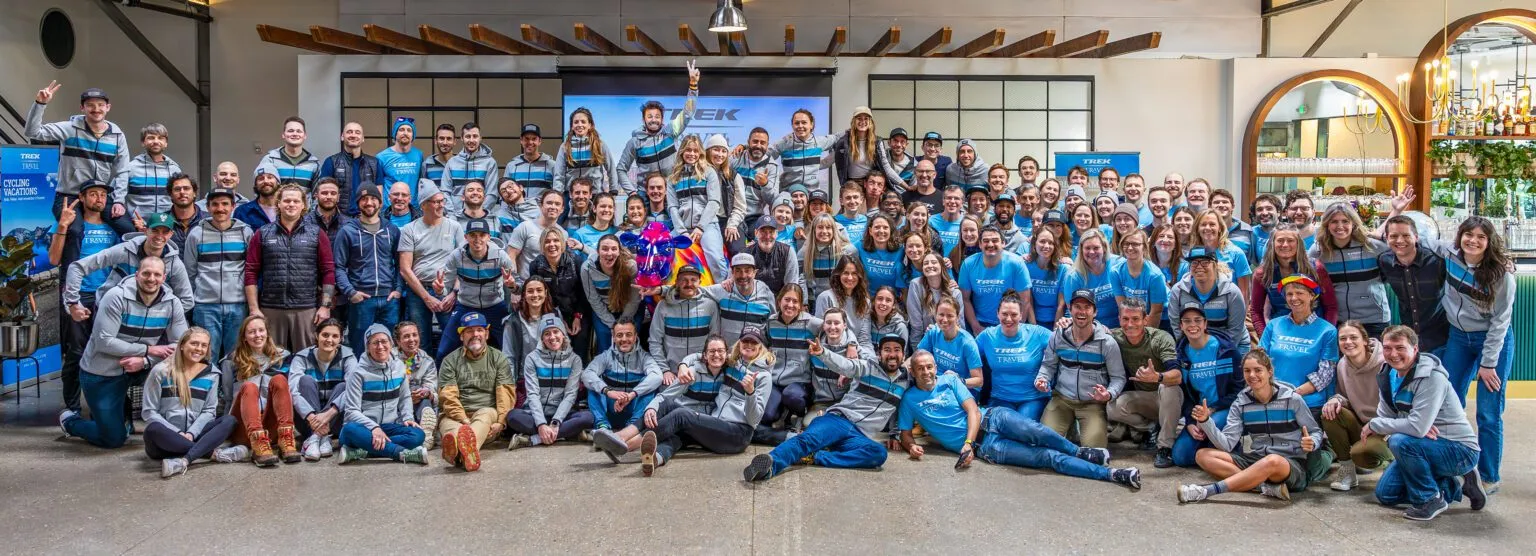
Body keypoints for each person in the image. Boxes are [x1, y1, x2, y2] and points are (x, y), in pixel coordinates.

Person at [899, 349, 1142, 489]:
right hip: (989, 448)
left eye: (930, 366)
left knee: (1038, 432)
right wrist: (911, 446)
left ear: (935, 366)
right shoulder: (909, 399)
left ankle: (1080, 453)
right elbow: (905, 433)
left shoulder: (949, 380)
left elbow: (973, 411)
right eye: (921, 368)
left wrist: (967, 444)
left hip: (992, 418)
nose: (927, 372)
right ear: (913, 371)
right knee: (1047, 457)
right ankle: (1112, 475)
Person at [58, 258, 188, 450]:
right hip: (102, 372)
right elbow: (104, 341)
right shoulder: (115, 296)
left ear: (164, 278)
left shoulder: (172, 302)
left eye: (157, 274)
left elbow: (180, 345)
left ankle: (177, 426)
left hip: (141, 367)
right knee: (113, 439)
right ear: (137, 274)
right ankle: (71, 422)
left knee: (184, 364)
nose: (151, 279)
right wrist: (147, 349)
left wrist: (144, 361)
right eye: (146, 273)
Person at [743, 333, 911, 482]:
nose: (892, 354)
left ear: (903, 355)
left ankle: (817, 456)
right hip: (838, 420)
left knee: (878, 454)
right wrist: (823, 353)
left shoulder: (905, 381)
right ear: (880, 354)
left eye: (897, 350)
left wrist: (895, 434)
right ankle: (770, 465)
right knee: (806, 440)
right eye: (887, 350)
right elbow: (845, 365)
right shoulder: (868, 367)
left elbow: (920, 388)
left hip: (859, 436)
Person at [1176, 348, 1331, 504]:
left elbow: (1315, 431)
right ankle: (1262, 486)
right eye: (1247, 371)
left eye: (1258, 370)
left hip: (1291, 464)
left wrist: (1312, 441)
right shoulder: (1240, 403)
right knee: (1203, 455)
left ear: (1270, 372)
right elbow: (1227, 445)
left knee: (1273, 461)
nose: (1252, 375)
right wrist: (1205, 422)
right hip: (1258, 458)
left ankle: (1206, 491)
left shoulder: (1293, 399)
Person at [1370, 326, 1486, 520]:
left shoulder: (1432, 377)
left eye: (1400, 348)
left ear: (1415, 350)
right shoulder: (1387, 375)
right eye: (1388, 348)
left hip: (1459, 449)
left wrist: (1379, 425)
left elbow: (1415, 427)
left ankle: (1430, 499)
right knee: (1386, 494)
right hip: (1422, 445)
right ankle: (1455, 483)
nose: (1393, 354)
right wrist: (1410, 425)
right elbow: (1387, 417)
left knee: (1399, 441)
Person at [625, 331, 773, 475]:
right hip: (717, 425)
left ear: (761, 346)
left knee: (681, 415)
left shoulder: (764, 376)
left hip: (738, 434)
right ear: (739, 344)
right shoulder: (732, 363)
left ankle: (628, 446)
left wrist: (750, 393)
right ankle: (654, 458)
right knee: (679, 432)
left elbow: (754, 420)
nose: (749, 345)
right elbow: (703, 355)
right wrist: (683, 364)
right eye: (745, 341)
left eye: (754, 342)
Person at [1438, 216, 1514, 493]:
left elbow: (1500, 323)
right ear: (1460, 236)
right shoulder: (1448, 254)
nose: (1473, 241)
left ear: (1489, 242)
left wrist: (1488, 363)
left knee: (1488, 412)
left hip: (1492, 341)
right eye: (1468, 235)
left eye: (1481, 237)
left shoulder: (1501, 275)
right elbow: (1415, 238)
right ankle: (1453, 466)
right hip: (1458, 336)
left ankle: (1489, 475)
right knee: (1448, 402)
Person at [49, 179, 135, 413]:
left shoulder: (114, 230)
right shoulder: (74, 227)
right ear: (83, 198)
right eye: (93, 194)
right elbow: (54, 259)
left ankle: (116, 408)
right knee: (76, 353)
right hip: (78, 296)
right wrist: (63, 226)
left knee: (114, 350)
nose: (99, 198)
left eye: (103, 195)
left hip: (108, 297)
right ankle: (72, 409)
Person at [243, 185, 336, 351]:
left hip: (306, 308)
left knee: (305, 358)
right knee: (272, 360)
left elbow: (328, 271)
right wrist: (254, 308)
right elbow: (251, 272)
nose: (291, 204)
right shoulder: (262, 234)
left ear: (303, 205)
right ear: (278, 203)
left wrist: (325, 306)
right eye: (286, 200)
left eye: (295, 201)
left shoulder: (316, 233)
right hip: (271, 308)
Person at [140, 327, 238, 478]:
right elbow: (149, 412)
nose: (199, 349)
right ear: (182, 345)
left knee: (229, 420)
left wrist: (191, 434)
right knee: (153, 429)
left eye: (203, 345)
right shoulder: (161, 371)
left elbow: (209, 411)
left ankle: (183, 461)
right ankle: (213, 454)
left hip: (195, 436)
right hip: (165, 441)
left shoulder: (212, 374)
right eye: (194, 343)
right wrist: (178, 433)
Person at [1034, 289, 1125, 448]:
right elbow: (1048, 366)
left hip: (1092, 403)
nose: (1082, 311)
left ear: (1095, 312)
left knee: (1095, 452)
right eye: (1077, 306)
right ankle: (1069, 426)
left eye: (1087, 307)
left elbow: (1118, 378)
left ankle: (1076, 428)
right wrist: (1041, 379)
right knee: (1044, 444)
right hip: (1062, 399)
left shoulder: (1107, 342)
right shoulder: (1057, 336)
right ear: (1070, 309)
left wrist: (1108, 394)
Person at [27, 82, 130, 220]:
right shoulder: (69, 129)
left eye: (100, 105)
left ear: (108, 107)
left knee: (127, 228)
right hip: (69, 196)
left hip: (100, 197)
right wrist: (40, 104)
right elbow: (32, 132)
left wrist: (119, 200)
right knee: (75, 231)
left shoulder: (117, 136)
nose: (96, 109)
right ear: (82, 108)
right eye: (90, 105)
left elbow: (122, 171)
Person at [64, 212, 194, 312]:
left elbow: (187, 301)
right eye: (155, 230)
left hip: (148, 320)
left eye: (165, 232)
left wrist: (161, 315)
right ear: (145, 230)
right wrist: (73, 302)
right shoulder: (124, 251)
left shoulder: (174, 263)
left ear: (171, 234)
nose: (160, 236)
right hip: (112, 310)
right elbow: (77, 267)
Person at [336, 324, 429, 465]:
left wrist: (408, 417)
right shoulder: (357, 373)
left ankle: (361, 452)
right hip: (362, 428)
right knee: (349, 429)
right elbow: (351, 412)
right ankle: (401, 453)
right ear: (368, 347)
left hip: (388, 426)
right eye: (375, 343)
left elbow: (405, 397)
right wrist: (374, 427)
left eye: (384, 341)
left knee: (418, 435)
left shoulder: (399, 367)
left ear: (391, 344)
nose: (380, 346)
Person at [436, 311, 516, 472]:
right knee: (452, 429)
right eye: (469, 331)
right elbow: (448, 397)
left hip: (487, 415)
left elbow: (505, 394)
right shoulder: (450, 361)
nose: (475, 335)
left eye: (479, 330)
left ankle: (457, 452)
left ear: (486, 334)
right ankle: (465, 452)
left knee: (485, 415)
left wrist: (500, 422)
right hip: (456, 416)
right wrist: (464, 420)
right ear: (461, 336)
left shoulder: (498, 358)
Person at [1107, 299, 1182, 468]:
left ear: (1145, 320)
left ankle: (1165, 447)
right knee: (1111, 407)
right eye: (1125, 319)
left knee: (1170, 388)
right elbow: (1092, 329)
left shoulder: (1160, 338)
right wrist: (1066, 321)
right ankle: (1149, 428)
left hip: (1167, 397)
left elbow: (1177, 376)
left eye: (1135, 319)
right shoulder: (1115, 337)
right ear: (1119, 319)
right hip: (1143, 398)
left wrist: (1158, 377)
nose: (1130, 324)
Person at [184, 186, 251, 368]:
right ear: (207, 207)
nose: (220, 208)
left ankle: (230, 395)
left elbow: (251, 269)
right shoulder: (196, 234)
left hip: (237, 305)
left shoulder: (246, 233)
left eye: (225, 204)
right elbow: (189, 272)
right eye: (215, 204)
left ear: (233, 206)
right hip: (205, 306)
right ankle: (209, 394)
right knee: (206, 355)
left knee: (235, 356)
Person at [1168, 304, 1243, 468]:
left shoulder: (1227, 350)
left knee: (1210, 434)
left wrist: (1212, 410)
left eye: (1197, 320)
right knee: (1180, 457)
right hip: (1199, 413)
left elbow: (1240, 391)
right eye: (1187, 321)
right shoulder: (1181, 355)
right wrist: (1189, 421)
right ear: (1181, 326)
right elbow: (1185, 395)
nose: (1192, 325)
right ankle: (1211, 444)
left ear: (1205, 324)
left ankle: (1224, 444)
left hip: (1225, 408)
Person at [1322, 321, 1392, 491]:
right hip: (1363, 425)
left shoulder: (1386, 363)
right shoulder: (1342, 365)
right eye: (1343, 338)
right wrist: (1336, 400)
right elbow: (1344, 397)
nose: (1348, 342)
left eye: (1353, 337)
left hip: (1386, 429)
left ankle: (1395, 465)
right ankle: (1347, 472)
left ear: (1365, 340)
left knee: (1362, 454)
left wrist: (1388, 429)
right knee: (1329, 412)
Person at [331, 183, 402, 350]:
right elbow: (338, 266)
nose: (369, 202)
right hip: (361, 299)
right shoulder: (347, 231)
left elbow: (401, 264)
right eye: (364, 199)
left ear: (380, 202)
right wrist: (350, 292)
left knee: (388, 346)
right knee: (359, 346)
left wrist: (398, 289)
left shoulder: (391, 230)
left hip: (388, 299)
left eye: (373, 198)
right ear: (358, 203)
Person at [434, 220, 518, 360]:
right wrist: (439, 291)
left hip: (495, 306)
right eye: (473, 235)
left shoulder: (500, 255)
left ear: (489, 237)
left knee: (508, 351)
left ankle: (508, 382)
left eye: (482, 235)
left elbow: (516, 285)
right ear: (466, 237)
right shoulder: (456, 256)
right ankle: (441, 382)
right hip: (465, 306)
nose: (477, 239)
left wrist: (511, 285)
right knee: (443, 352)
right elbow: (445, 288)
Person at [1258, 275, 1339, 419]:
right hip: (1272, 399)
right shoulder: (1273, 325)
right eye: (1289, 294)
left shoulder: (1328, 331)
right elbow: (1260, 361)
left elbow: (1325, 374)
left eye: (1299, 293)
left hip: (1308, 403)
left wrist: (1292, 394)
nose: (1294, 298)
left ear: (1312, 295)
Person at [508, 316, 594, 449]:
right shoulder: (532, 359)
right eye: (547, 334)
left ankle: (534, 439)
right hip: (535, 414)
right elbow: (532, 394)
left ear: (563, 334)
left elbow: (570, 395)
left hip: (562, 415)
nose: (552, 337)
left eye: (556, 332)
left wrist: (555, 422)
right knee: (512, 416)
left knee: (588, 417)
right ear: (542, 338)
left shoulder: (574, 360)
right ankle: (568, 434)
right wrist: (541, 424)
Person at [584, 319, 665, 461]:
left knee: (650, 390)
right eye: (620, 335)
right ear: (613, 337)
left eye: (628, 335)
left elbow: (657, 376)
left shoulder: (644, 358)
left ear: (635, 337)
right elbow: (587, 374)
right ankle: (603, 428)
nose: (624, 339)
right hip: (611, 410)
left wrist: (631, 395)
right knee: (593, 387)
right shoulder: (605, 357)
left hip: (633, 413)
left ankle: (630, 430)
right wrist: (608, 391)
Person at [222, 314, 296, 467]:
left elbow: (289, 394)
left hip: (271, 425)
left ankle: (286, 439)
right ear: (244, 337)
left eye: (261, 330)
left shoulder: (283, 357)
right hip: (244, 427)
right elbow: (227, 398)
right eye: (252, 332)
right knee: (249, 387)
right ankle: (257, 446)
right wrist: (224, 432)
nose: (257, 335)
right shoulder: (231, 360)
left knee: (279, 380)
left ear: (267, 332)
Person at [617, 61, 700, 194]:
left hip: (672, 192)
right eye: (649, 116)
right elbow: (621, 169)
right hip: (646, 195)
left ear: (662, 119)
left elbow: (688, 113)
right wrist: (632, 193)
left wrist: (693, 86)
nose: (653, 119)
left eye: (657, 116)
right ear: (643, 119)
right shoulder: (635, 142)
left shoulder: (670, 132)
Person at [398, 182, 465, 348]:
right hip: (418, 291)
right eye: (436, 202)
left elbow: (463, 262)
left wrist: (454, 292)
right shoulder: (409, 229)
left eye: (442, 201)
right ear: (423, 205)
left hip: (447, 291)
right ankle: (422, 373)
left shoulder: (454, 226)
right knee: (419, 341)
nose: (441, 205)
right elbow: (405, 269)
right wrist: (426, 297)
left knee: (454, 339)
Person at [1307, 204, 1388, 337]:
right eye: (1334, 221)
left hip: (1375, 318)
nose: (1340, 226)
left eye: (1345, 221)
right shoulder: (1318, 252)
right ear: (1327, 224)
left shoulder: (1373, 246)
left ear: (1354, 223)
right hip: (1339, 320)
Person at [1377, 214, 1449, 355]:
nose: (1400, 240)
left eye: (1406, 235)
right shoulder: (1384, 261)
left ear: (1416, 237)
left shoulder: (1437, 261)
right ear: (1386, 238)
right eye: (1393, 236)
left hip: (1441, 337)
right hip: (1409, 338)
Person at [1249, 225, 1336, 338]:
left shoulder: (1315, 268)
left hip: (1315, 332)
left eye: (1290, 240)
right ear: (1272, 243)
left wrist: (1326, 334)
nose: (1285, 245)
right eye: (1280, 240)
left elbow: (1330, 306)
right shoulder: (1262, 273)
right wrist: (1265, 338)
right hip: (1281, 334)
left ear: (1298, 243)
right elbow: (1256, 311)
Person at [975, 293, 1053, 420]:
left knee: (1021, 428)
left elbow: (1063, 341)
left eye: (1014, 314)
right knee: (1005, 428)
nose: (1009, 319)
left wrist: (1067, 323)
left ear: (1021, 315)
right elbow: (966, 351)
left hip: (1032, 398)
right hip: (1000, 399)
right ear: (997, 314)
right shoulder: (987, 336)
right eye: (1004, 314)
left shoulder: (1036, 333)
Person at [285, 319, 352, 462]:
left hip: (335, 421)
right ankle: (316, 436)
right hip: (307, 421)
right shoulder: (302, 357)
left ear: (341, 338)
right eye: (325, 335)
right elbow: (293, 391)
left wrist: (327, 416)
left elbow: (354, 390)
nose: (329, 340)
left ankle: (316, 438)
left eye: (335, 336)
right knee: (305, 380)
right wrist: (311, 417)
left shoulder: (348, 357)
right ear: (317, 335)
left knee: (345, 386)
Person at [761, 285, 822, 438]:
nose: (790, 305)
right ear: (779, 301)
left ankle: (799, 414)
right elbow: (760, 343)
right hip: (775, 381)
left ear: (801, 305)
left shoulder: (811, 323)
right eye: (787, 300)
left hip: (800, 381)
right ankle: (782, 411)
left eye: (795, 301)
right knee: (767, 416)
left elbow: (837, 326)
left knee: (792, 396)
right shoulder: (771, 322)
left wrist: (852, 345)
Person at [1168, 246, 1249, 354]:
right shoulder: (1177, 291)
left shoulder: (1232, 292)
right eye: (1194, 263)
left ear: (1215, 265)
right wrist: (1192, 349)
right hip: (1194, 345)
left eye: (1205, 262)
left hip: (1233, 344)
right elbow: (1176, 326)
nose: (1199, 266)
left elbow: (1235, 330)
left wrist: (1215, 353)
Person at [648, 264, 720, 373]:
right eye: (684, 280)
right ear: (676, 282)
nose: (689, 284)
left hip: (702, 371)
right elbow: (654, 341)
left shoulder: (710, 305)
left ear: (700, 283)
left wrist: (708, 366)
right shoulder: (663, 305)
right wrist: (665, 370)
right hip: (671, 373)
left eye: (693, 280)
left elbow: (714, 340)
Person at [958, 226, 1031, 333]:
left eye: (995, 240)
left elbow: (1025, 300)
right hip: (980, 322)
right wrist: (975, 326)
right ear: (980, 244)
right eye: (986, 241)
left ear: (1003, 243)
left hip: (1010, 322)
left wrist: (1017, 328)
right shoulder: (968, 264)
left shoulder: (1016, 263)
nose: (990, 244)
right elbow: (965, 299)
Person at [581, 234, 640, 355]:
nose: (609, 253)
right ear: (598, 251)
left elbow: (634, 300)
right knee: (605, 341)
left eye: (614, 249)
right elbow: (593, 299)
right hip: (604, 309)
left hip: (629, 309)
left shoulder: (630, 267)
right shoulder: (587, 268)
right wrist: (612, 324)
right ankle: (605, 372)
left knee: (628, 338)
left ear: (619, 251)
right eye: (605, 249)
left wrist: (622, 323)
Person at [1181, 209, 1252, 297]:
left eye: (1212, 224)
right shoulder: (1192, 254)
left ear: (1220, 228)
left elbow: (1244, 293)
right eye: (1203, 224)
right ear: (1197, 229)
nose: (1207, 228)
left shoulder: (1236, 253)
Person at [916, 297, 983, 390]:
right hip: (935, 384)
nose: (945, 319)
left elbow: (979, 381)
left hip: (961, 388)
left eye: (950, 316)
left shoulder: (967, 343)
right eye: (941, 315)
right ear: (935, 315)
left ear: (958, 317)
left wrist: (957, 380)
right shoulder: (933, 332)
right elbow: (917, 356)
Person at [318, 121, 381, 217]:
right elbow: (324, 193)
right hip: (338, 219)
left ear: (363, 138)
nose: (353, 135)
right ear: (342, 136)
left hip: (365, 217)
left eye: (357, 132)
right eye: (349, 132)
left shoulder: (374, 163)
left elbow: (379, 195)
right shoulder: (331, 162)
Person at [1109, 228, 1168, 327]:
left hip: (1161, 319)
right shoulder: (1115, 272)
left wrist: (1145, 339)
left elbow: (1156, 312)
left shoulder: (1155, 275)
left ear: (1144, 247)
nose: (1130, 248)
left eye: (1135, 244)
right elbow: (1123, 307)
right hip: (1134, 318)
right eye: (1126, 244)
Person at [123, 123, 182, 221]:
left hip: (166, 226)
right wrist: (129, 221)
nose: (156, 141)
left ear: (166, 143)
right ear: (143, 142)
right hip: (136, 226)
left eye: (160, 138)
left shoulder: (175, 170)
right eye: (151, 138)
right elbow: (116, 197)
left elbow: (179, 198)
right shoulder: (130, 168)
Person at [394, 321, 439, 449]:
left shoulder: (427, 361)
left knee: (425, 396)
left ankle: (427, 432)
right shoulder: (390, 358)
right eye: (406, 336)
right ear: (398, 341)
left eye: (415, 335)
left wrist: (426, 392)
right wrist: (406, 397)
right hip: (395, 404)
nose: (411, 339)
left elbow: (431, 385)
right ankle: (415, 433)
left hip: (418, 404)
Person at [1060, 230, 1117, 328]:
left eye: (1096, 248)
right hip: (1089, 327)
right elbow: (1074, 311)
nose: (1091, 252)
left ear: (1104, 248)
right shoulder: (1073, 276)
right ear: (1081, 250)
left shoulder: (1117, 265)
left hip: (1119, 324)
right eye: (1087, 248)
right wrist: (1097, 328)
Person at [441, 122, 500, 211]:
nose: (471, 140)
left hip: (481, 216)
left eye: (475, 136)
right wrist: (451, 214)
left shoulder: (490, 163)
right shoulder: (452, 162)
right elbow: (445, 191)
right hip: (455, 217)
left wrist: (479, 213)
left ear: (480, 138)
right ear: (462, 138)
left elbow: (492, 194)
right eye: (468, 136)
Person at [732, 127, 781, 233]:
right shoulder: (735, 157)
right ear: (748, 142)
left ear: (767, 145)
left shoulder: (772, 166)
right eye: (755, 141)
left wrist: (765, 184)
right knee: (736, 245)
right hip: (733, 214)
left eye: (762, 143)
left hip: (754, 217)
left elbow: (772, 199)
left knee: (762, 243)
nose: (758, 146)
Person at [816, 256, 874, 346]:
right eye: (846, 273)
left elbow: (864, 338)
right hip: (832, 350)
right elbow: (821, 334)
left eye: (854, 273)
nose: (850, 278)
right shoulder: (825, 297)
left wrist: (868, 358)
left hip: (857, 351)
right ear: (838, 275)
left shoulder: (866, 302)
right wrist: (850, 345)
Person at [906, 252, 962, 339]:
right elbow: (916, 325)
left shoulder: (955, 292)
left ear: (942, 266)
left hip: (949, 341)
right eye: (926, 263)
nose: (929, 265)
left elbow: (960, 325)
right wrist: (917, 350)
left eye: (934, 262)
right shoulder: (916, 285)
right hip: (925, 341)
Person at [745, 214, 801, 294]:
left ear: (777, 234)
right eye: (763, 232)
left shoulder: (788, 251)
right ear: (756, 233)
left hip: (779, 300)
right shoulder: (746, 254)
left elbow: (791, 285)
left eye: (771, 232)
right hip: (753, 300)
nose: (767, 236)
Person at [376, 117, 426, 203]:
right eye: (401, 129)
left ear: (413, 135)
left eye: (409, 130)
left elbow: (422, 182)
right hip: (390, 210)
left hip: (414, 210)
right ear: (395, 133)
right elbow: (378, 186)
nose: (405, 133)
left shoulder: (419, 155)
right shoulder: (382, 157)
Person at [504, 123, 557, 202]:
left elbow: (557, 192)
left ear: (540, 141)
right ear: (521, 141)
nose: (530, 142)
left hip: (541, 213)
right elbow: (505, 193)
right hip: (517, 212)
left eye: (534, 139)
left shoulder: (552, 165)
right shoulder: (511, 166)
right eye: (527, 139)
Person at [1024, 227, 1065, 326]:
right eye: (1042, 241)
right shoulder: (1026, 267)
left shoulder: (1063, 269)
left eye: (1051, 243)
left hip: (1057, 321)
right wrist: (1035, 329)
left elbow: (1061, 305)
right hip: (1032, 320)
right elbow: (1027, 301)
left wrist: (1056, 333)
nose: (1046, 246)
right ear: (1034, 243)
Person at [857, 215, 905, 294]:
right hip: (868, 299)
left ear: (891, 231)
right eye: (877, 227)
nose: (881, 231)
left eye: (885, 227)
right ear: (870, 231)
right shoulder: (860, 246)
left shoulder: (900, 249)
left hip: (893, 300)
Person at [1208, 189, 1255, 263]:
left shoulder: (1246, 230)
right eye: (1216, 202)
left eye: (1225, 202)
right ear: (1210, 207)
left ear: (1232, 206)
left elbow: (1252, 261)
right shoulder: (1205, 230)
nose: (1221, 205)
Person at [879, 128, 917, 194]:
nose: (899, 145)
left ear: (906, 144)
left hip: (904, 199)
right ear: (889, 143)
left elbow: (913, 188)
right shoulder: (881, 157)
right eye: (895, 141)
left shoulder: (913, 163)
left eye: (902, 142)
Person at [1248, 193, 1283, 260]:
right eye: (1259, 209)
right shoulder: (1251, 233)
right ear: (1255, 215)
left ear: (1278, 212)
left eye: (1269, 209)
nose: (1264, 213)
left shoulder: (1289, 232)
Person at [424, 124, 456, 189]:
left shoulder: (461, 163)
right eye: (441, 138)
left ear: (454, 141)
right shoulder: (427, 164)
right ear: (436, 141)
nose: (445, 143)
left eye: (449, 139)